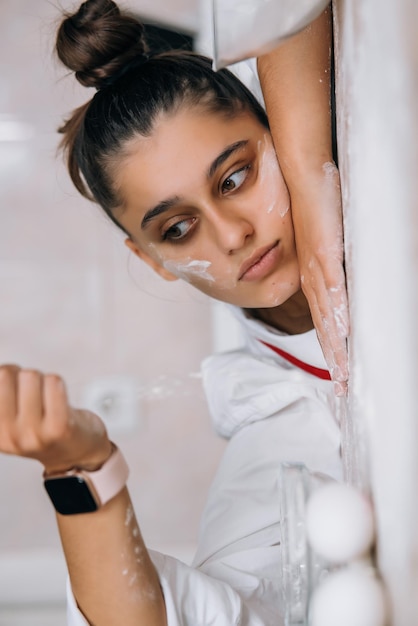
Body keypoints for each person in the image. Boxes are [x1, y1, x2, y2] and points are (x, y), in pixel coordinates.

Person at [0, 0, 346, 624]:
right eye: (180, 227)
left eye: (236, 178)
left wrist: (310, 171)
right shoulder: (270, 425)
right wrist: (82, 470)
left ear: (281, 127)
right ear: (153, 258)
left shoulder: (372, 171)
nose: (232, 235)